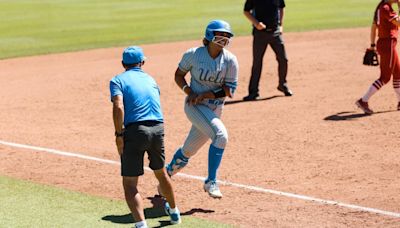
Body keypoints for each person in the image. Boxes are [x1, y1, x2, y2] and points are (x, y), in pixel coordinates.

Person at [164, 20, 238, 198]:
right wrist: (188, 91)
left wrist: (205, 95)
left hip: (215, 109)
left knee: (188, 150)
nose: (224, 38)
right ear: (210, 35)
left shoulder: (230, 60)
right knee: (221, 136)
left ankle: (164, 178)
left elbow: (230, 90)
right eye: (221, 35)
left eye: (227, 36)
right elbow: (179, 75)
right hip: (194, 107)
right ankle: (211, 181)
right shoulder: (194, 55)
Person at [110, 46, 181, 228]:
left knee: (130, 183)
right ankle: (174, 213)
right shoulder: (150, 79)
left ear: (123, 64)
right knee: (161, 174)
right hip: (158, 128)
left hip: (135, 131)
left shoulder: (117, 80)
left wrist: (119, 134)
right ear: (142, 62)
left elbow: (118, 107)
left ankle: (141, 225)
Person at [242, 0, 292, 101]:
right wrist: (256, 23)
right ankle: (253, 92)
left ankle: (282, 84)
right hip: (260, 34)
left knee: (283, 59)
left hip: (275, 32)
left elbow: (281, 7)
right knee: (257, 63)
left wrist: (281, 25)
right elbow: (246, 11)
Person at [356, 0, 400, 113]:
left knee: (398, 73)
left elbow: (374, 27)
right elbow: (399, 23)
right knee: (385, 77)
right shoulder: (386, 8)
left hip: (386, 44)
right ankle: (363, 100)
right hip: (387, 44)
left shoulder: (381, 7)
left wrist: (372, 45)